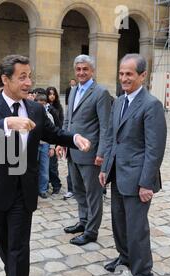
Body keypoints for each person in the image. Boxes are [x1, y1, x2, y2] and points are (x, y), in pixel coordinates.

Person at [0, 55, 91, 276]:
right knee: (4, 242)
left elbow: (54, 133)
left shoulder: (35, 108)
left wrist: (74, 139)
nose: (28, 82)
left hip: (24, 188)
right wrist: (6, 123)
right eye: (22, 77)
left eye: (30, 76)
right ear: (5, 79)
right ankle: (11, 272)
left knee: (19, 245)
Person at [99, 54, 167, 276]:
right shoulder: (119, 102)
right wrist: (106, 167)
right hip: (118, 175)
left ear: (142, 75)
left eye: (129, 74)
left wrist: (146, 184)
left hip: (138, 180)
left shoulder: (151, 105)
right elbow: (111, 137)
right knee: (119, 222)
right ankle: (125, 258)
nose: (124, 78)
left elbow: (154, 149)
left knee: (137, 230)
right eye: (121, 73)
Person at [58, 54, 111, 246]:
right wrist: (62, 140)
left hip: (91, 154)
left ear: (92, 71)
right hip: (73, 151)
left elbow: (105, 127)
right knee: (78, 190)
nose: (81, 72)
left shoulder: (100, 93)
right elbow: (67, 120)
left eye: (85, 69)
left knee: (93, 194)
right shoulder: (73, 91)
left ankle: (91, 231)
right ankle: (83, 221)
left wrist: (101, 153)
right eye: (78, 69)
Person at [34, 93, 55, 199]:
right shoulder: (31, 115)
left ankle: (43, 189)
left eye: (43, 104)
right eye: (39, 104)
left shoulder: (49, 116)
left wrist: (52, 147)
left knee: (44, 169)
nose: (41, 107)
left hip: (45, 145)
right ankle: (32, 188)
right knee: (33, 168)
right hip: (33, 144)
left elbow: (53, 132)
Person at [45, 87, 64, 194]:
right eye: (50, 94)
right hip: (45, 138)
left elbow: (60, 123)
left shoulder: (58, 107)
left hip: (55, 136)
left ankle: (56, 184)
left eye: (54, 94)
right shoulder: (43, 106)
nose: (52, 96)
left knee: (52, 164)